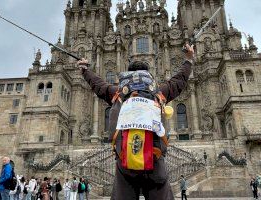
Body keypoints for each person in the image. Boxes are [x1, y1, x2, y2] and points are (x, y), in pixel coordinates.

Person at [77, 44, 194, 200]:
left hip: (125, 159)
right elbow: (178, 81)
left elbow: (99, 85)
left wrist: (85, 70)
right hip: (155, 158)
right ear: (147, 75)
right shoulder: (158, 93)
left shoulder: (118, 94)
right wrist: (188, 60)